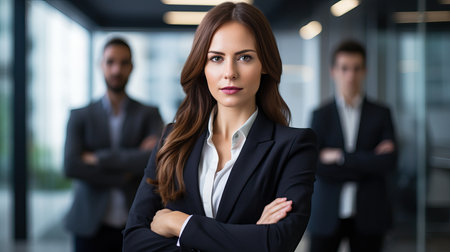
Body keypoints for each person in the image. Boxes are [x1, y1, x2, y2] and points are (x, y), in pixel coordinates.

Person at [123, 2, 318, 252]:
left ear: (265, 64)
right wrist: (248, 238)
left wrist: (179, 224)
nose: (229, 72)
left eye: (244, 57)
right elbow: (133, 242)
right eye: (216, 58)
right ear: (202, 67)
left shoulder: (293, 147)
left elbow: (277, 242)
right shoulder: (172, 139)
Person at [64, 37, 164, 252]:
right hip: (89, 224)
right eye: (110, 62)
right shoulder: (79, 116)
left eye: (123, 62)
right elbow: (71, 165)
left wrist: (99, 158)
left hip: (137, 222)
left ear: (132, 67)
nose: (116, 69)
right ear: (101, 64)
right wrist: (125, 174)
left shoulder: (150, 114)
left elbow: (159, 159)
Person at [308, 40, 397, 252]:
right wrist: (367, 162)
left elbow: (388, 163)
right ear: (333, 71)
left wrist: (341, 157)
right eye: (344, 68)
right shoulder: (320, 115)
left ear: (365, 71)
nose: (350, 76)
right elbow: (315, 165)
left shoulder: (381, 113)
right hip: (326, 213)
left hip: (370, 213)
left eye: (356, 69)